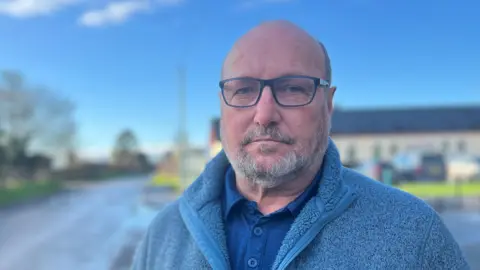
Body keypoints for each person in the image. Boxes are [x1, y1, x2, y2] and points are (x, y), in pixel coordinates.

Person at [132, 20, 469, 270]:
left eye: (293, 88)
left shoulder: (413, 234)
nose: (264, 115)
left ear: (328, 104)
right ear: (222, 105)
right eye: (243, 90)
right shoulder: (164, 233)